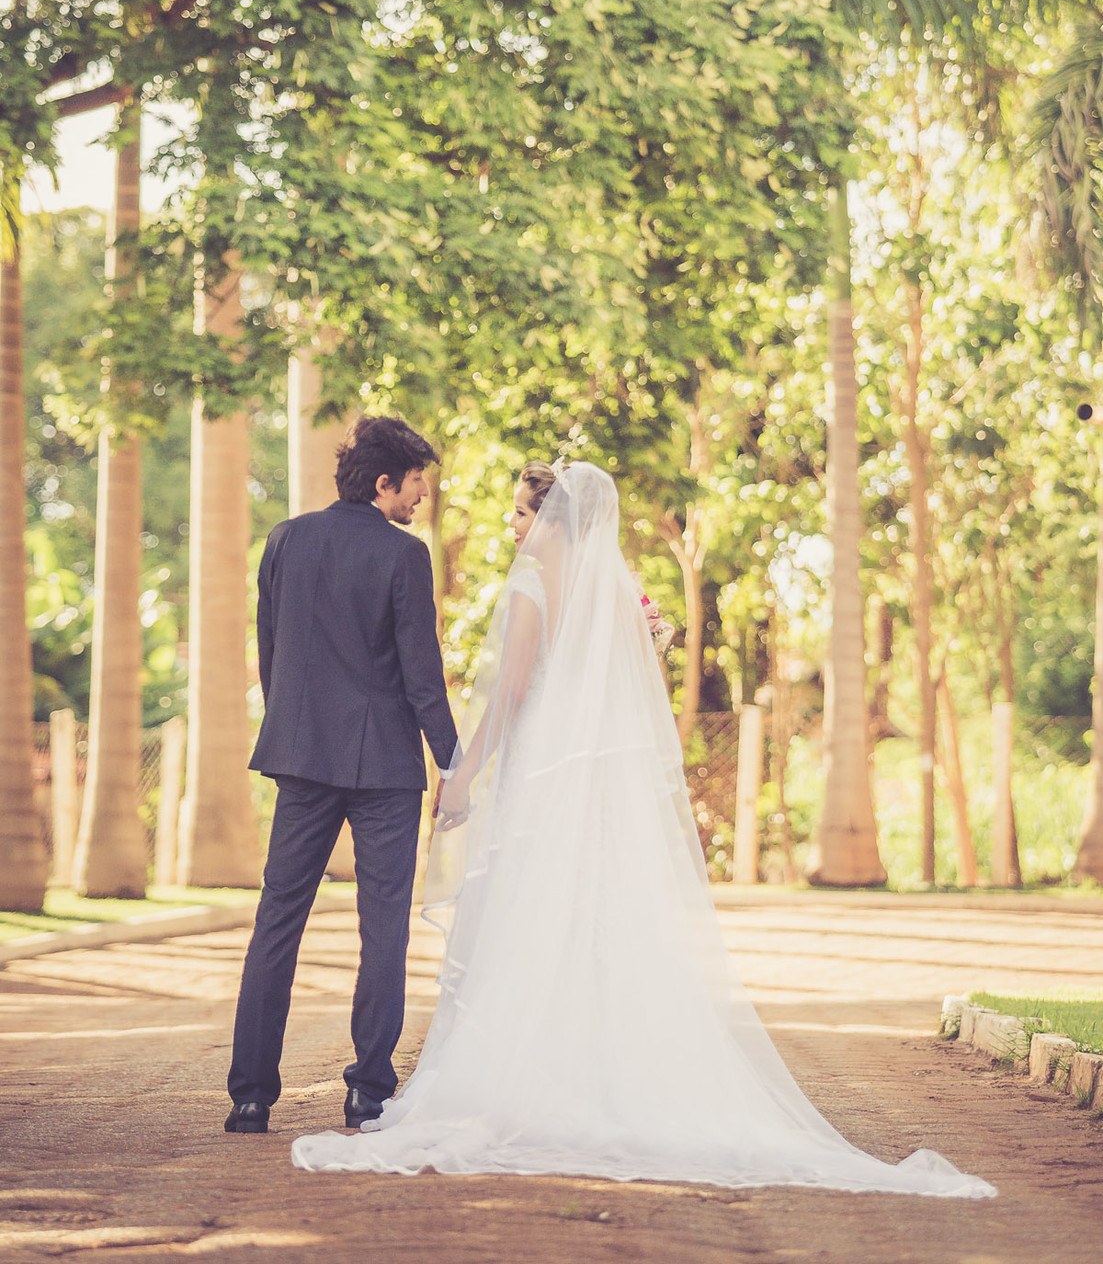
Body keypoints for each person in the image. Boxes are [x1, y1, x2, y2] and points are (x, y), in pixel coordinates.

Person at [290, 462, 995, 1199]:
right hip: (592, 781)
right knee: (596, 918)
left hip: (542, 777)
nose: (513, 528)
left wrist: (463, 773)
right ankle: (606, 1071)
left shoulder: (532, 588)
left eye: (521, 516)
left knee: (536, 919)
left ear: (555, 523)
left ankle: (537, 1080)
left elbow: (514, 690)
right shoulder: (615, 594)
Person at [224, 414, 458, 1135]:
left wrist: (292, 726)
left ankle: (250, 1096)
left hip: (301, 757)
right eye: (416, 485)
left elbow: (270, 651)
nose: (421, 500)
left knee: (277, 920)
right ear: (385, 482)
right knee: (382, 926)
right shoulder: (404, 555)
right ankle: (367, 1092)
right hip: (385, 767)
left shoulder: (285, 540)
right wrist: (454, 760)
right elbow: (422, 674)